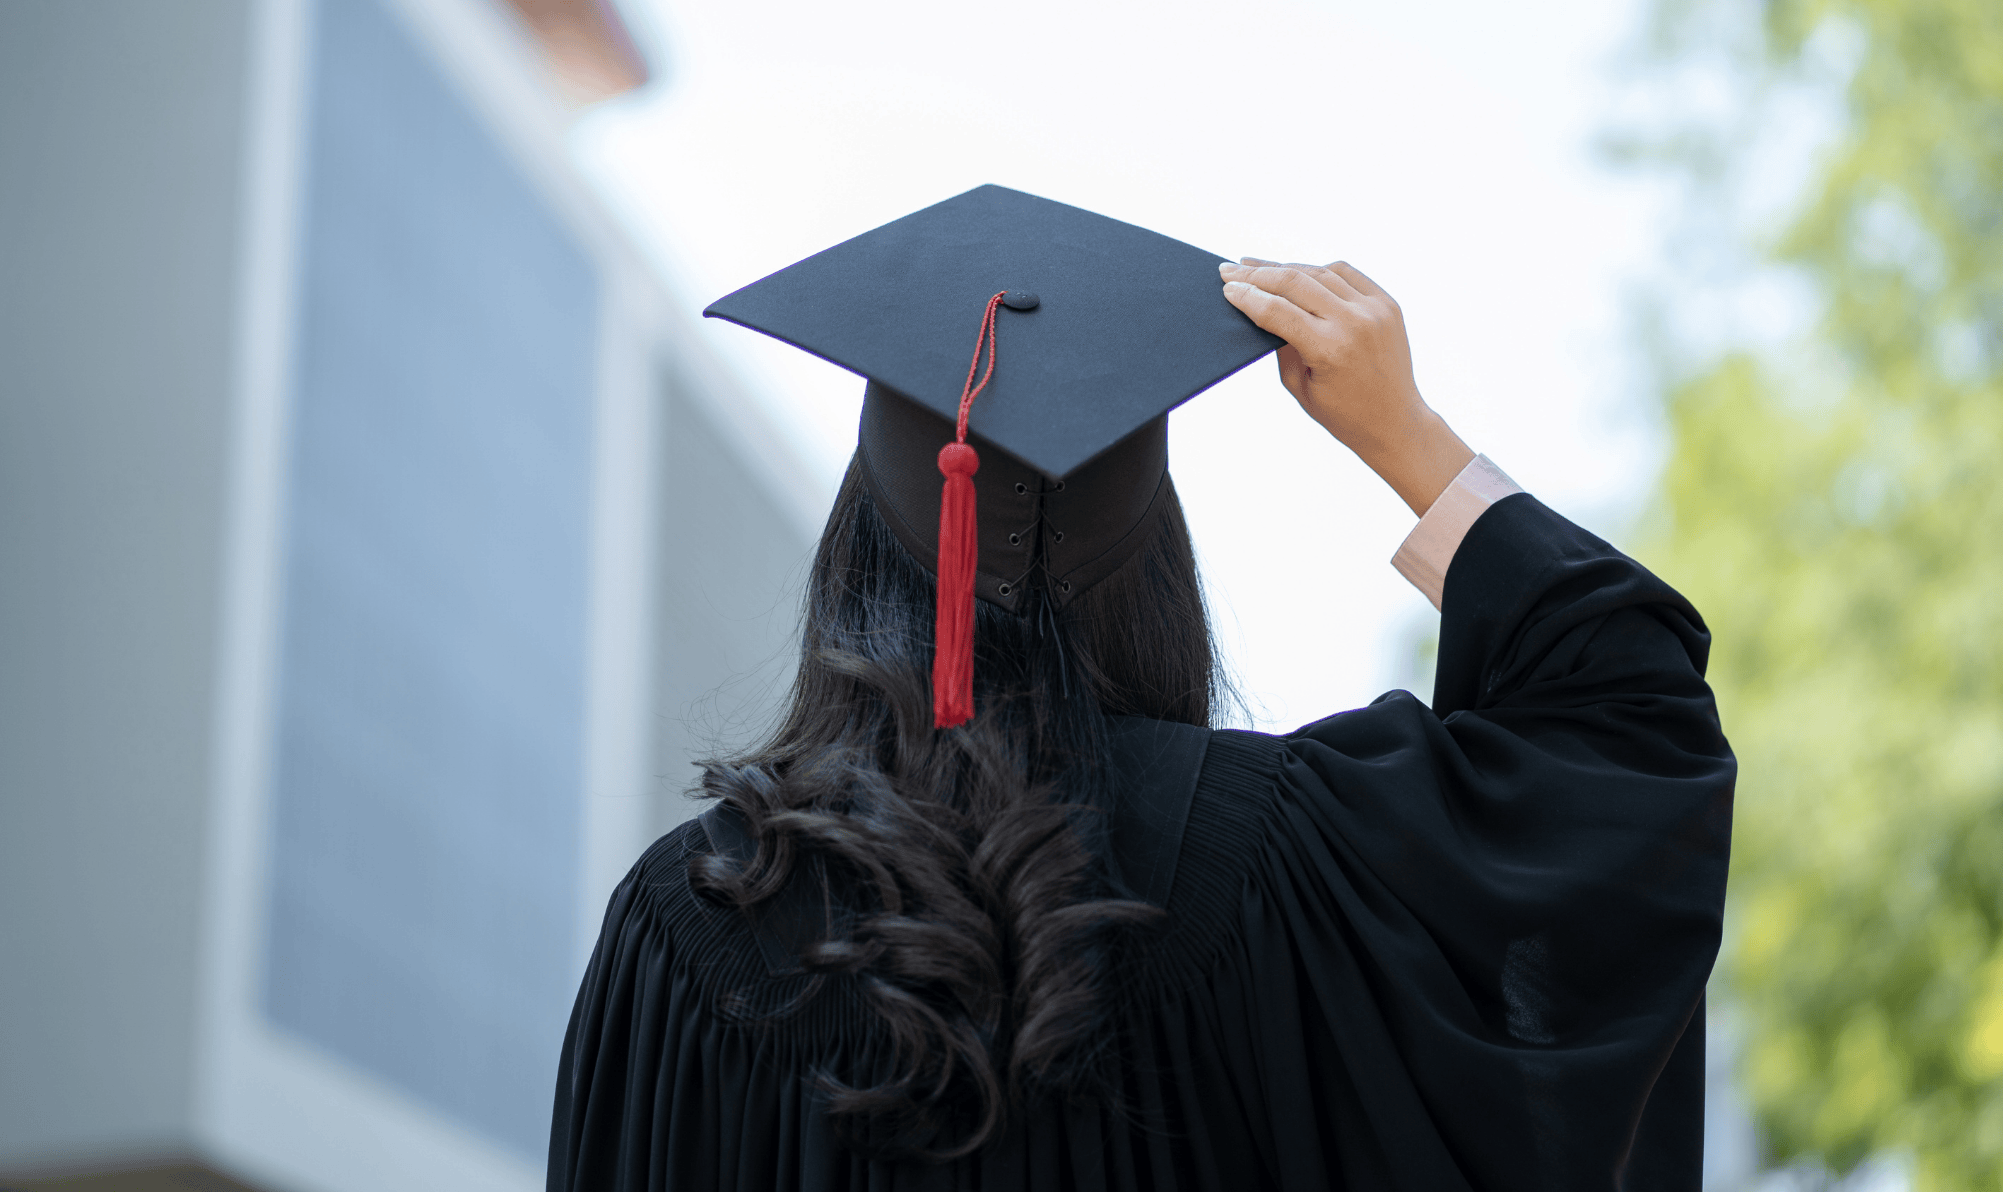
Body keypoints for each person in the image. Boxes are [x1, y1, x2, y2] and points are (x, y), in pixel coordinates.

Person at [547, 186, 1736, 1191]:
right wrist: (1408, 436)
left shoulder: (688, 922)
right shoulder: (1306, 864)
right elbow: (1632, 728)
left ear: (863, 552)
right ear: (1155, 567)